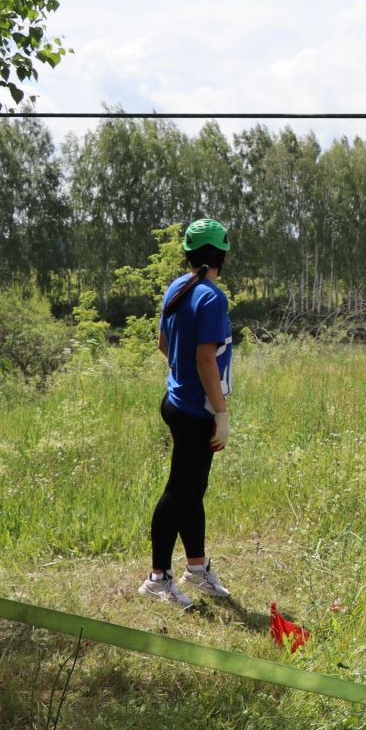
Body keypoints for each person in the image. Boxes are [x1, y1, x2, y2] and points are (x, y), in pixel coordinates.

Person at [141, 218, 236, 609]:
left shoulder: (177, 288)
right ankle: (157, 579)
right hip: (196, 411)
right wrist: (221, 411)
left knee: (193, 489)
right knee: (179, 492)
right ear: (221, 256)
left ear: (188, 253)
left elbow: (165, 343)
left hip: (176, 401)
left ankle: (196, 571)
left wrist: (183, 377)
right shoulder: (211, 297)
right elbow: (204, 358)